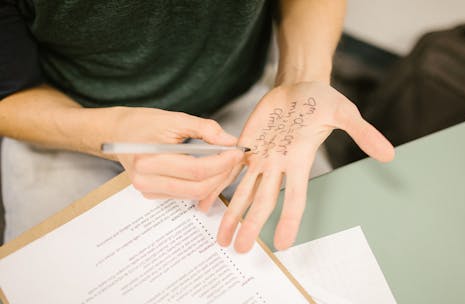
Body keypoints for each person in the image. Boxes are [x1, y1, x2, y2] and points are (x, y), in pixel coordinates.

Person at [0, 0, 394, 252]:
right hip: (63, 120)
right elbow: (8, 99)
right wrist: (111, 130)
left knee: (318, 250)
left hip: (245, 103)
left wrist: (302, 78)